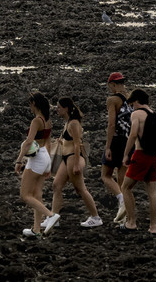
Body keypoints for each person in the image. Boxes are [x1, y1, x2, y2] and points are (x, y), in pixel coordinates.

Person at [48, 97, 102, 228]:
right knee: (56, 185)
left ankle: (96, 217)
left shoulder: (73, 123)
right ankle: (54, 218)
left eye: (59, 107)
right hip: (66, 158)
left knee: (80, 189)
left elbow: (77, 144)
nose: (57, 110)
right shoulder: (67, 123)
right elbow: (69, 140)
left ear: (66, 109)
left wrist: (77, 163)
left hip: (73, 157)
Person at [118, 88, 156, 233]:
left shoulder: (137, 114)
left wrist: (126, 154)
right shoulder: (153, 114)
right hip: (153, 156)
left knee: (125, 187)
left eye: (132, 104)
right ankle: (153, 227)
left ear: (136, 101)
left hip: (140, 154)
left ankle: (131, 223)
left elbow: (132, 135)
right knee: (152, 192)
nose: (131, 107)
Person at [13, 92, 55, 237]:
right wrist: (49, 165)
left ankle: (50, 215)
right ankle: (36, 230)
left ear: (35, 104)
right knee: (37, 194)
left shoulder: (36, 121)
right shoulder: (47, 120)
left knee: (25, 195)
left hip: (37, 159)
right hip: (45, 157)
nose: (29, 107)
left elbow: (29, 142)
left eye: (30, 104)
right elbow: (48, 143)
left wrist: (19, 160)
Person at [101, 72, 132, 222]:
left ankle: (121, 201)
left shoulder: (112, 100)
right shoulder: (131, 97)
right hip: (129, 141)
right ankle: (127, 217)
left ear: (113, 84)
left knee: (106, 175)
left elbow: (111, 124)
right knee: (122, 179)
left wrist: (108, 147)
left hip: (117, 141)